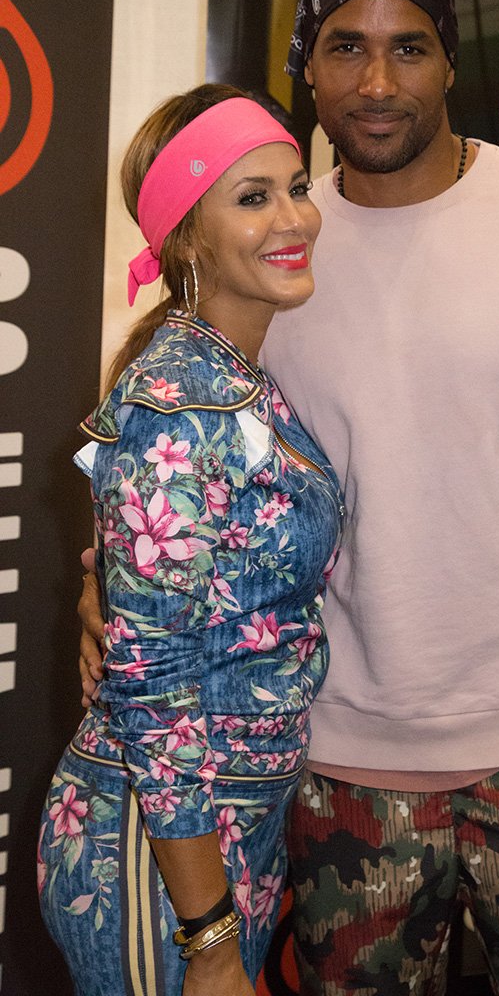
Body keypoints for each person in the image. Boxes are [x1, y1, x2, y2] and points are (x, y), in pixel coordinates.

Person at [81, 0, 499, 996]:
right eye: (343, 48)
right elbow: (192, 479)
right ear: (304, 70)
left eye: (407, 47)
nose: (375, 81)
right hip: (335, 768)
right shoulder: (279, 260)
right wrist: (109, 581)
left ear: (451, 62)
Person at [42, 84, 343, 996]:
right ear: (187, 239)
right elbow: (154, 684)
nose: (295, 217)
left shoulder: (237, 378)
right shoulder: (175, 404)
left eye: (296, 185)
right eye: (252, 197)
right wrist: (209, 936)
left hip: (223, 840)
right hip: (157, 852)